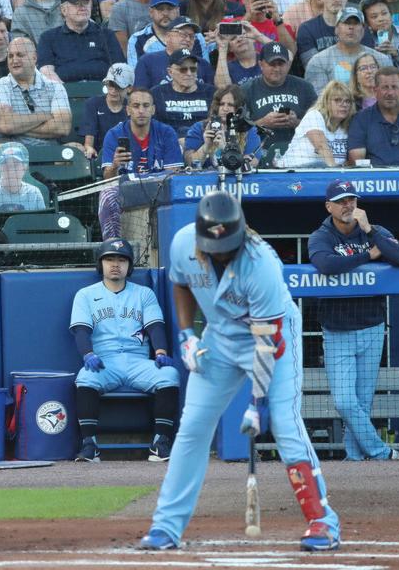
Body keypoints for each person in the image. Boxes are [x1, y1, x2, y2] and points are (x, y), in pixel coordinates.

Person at [139, 190, 341, 553]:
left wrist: (256, 402)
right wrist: (187, 335)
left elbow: (269, 343)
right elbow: (181, 285)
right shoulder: (184, 242)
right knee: (193, 427)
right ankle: (166, 527)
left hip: (270, 340)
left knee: (284, 423)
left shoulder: (260, 262)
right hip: (219, 338)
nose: (222, 252)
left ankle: (322, 522)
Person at [308, 179, 399, 462]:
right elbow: (326, 265)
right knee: (345, 401)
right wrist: (367, 255)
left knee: (362, 402)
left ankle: (354, 460)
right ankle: (382, 452)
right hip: (337, 330)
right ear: (329, 207)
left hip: (372, 326)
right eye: (340, 201)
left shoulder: (373, 231)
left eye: (351, 199)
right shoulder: (321, 235)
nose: (347, 205)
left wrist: (370, 231)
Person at [71, 238, 179, 463]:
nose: (115, 264)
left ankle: (161, 443)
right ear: (100, 264)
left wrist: (160, 352)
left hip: (138, 361)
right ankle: (90, 445)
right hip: (104, 361)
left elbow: (155, 326)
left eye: (121, 259)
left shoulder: (144, 293)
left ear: (129, 266)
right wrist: (88, 354)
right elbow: (81, 330)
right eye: (109, 259)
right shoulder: (85, 295)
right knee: (85, 377)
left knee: (169, 375)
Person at [97, 87, 183, 237]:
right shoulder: (114, 134)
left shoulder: (166, 132)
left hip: (159, 190)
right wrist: (115, 165)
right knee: (107, 194)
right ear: (128, 110)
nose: (141, 110)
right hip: (127, 191)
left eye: (146, 105)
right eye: (136, 106)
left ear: (153, 109)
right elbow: (108, 179)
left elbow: (174, 173)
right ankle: (113, 246)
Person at [0, 38, 72, 147]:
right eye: (10, 56)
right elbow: (5, 125)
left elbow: (62, 127)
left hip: (48, 153)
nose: (14, 60)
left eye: (20, 55)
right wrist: (46, 116)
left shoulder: (55, 87)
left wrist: (16, 127)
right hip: (10, 153)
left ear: (34, 58)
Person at [238, 42, 316, 163]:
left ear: (288, 64)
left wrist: (297, 123)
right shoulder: (246, 90)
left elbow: (319, 124)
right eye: (272, 64)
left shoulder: (304, 87)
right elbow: (238, 130)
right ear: (261, 64)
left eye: (281, 64)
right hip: (259, 155)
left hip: (299, 154)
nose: (277, 69)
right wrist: (263, 123)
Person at [38, 0, 126, 83]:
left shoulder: (106, 35)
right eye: (76, 3)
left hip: (103, 93)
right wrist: (63, 92)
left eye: (86, 3)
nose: (83, 7)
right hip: (65, 94)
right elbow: (46, 71)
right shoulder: (48, 38)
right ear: (63, 10)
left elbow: (119, 68)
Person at [304, 7, 392, 94]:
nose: (351, 27)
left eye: (356, 23)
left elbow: (389, 93)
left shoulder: (381, 59)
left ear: (363, 29)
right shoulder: (319, 61)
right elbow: (319, 100)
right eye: (346, 23)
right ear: (336, 28)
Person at [181, 83, 262, 170]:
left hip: (237, 180)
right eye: (221, 104)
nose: (225, 109)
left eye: (230, 105)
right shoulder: (199, 127)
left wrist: (226, 150)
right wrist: (206, 146)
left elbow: (253, 162)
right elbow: (189, 163)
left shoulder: (248, 129)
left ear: (239, 109)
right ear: (216, 106)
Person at [279, 80, 353, 168]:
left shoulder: (346, 127)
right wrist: (335, 173)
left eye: (347, 101)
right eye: (337, 100)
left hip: (325, 175)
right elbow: (321, 146)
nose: (343, 104)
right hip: (294, 171)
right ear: (326, 102)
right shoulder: (314, 115)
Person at [152, 47, 216, 138]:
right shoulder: (157, 93)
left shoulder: (211, 92)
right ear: (170, 72)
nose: (189, 73)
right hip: (168, 143)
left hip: (203, 141)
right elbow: (153, 127)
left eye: (193, 69)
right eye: (183, 69)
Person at [0, 141, 43, 213]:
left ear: (24, 167)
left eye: (15, 165)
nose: (11, 169)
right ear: (0, 167)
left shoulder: (34, 192)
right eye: (6, 164)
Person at [80, 63, 131, 160]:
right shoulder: (93, 104)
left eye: (118, 86)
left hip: (127, 155)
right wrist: (89, 148)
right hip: (100, 155)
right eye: (110, 85)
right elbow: (88, 143)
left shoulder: (133, 106)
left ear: (129, 88)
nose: (113, 90)